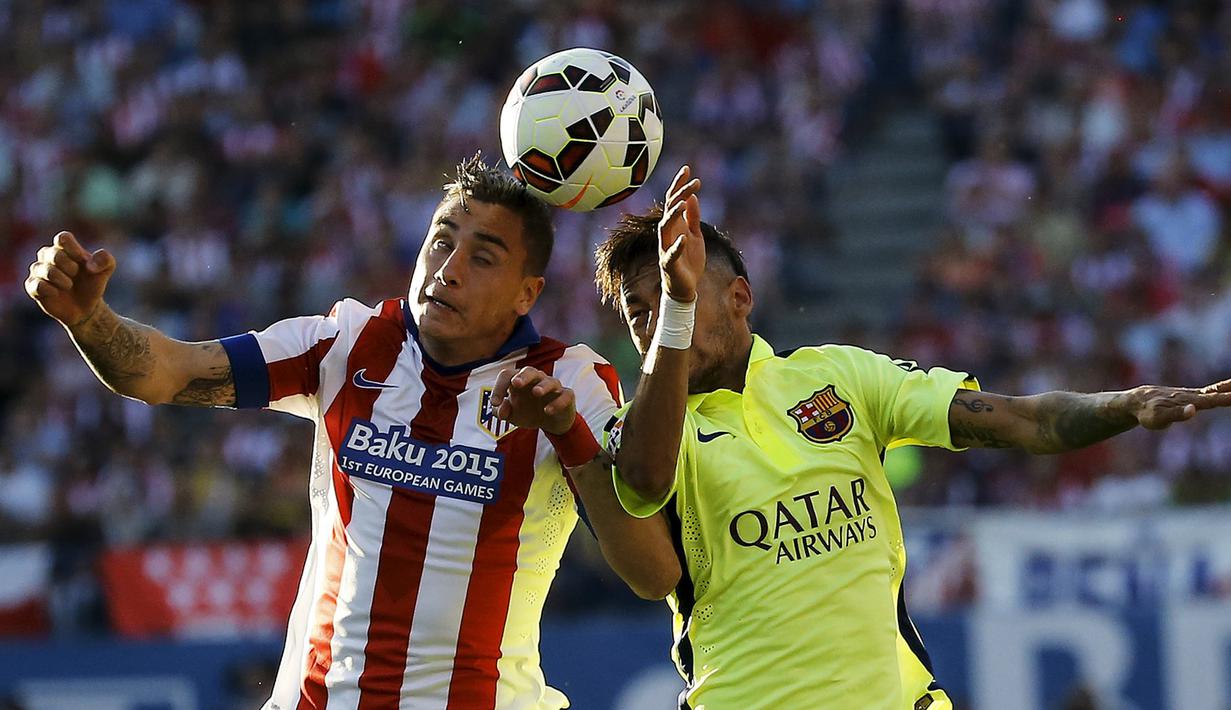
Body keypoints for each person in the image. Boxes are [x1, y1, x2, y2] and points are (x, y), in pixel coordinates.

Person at [23, 154, 678, 710]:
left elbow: (651, 573)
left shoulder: (570, 379)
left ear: (525, 293)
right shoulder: (347, 343)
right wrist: (88, 318)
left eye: (483, 258)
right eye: (442, 239)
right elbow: (164, 375)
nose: (447, 268)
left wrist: (564, 429)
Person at [592, 165, 1231, 709]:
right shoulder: (639, 428)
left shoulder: (838, 375)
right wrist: (677, 305)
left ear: (739, 297)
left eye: (676, 294)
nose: (655, 322)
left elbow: (1021, 420)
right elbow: (645, 480)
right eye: (640, 312)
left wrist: (1124, 403)